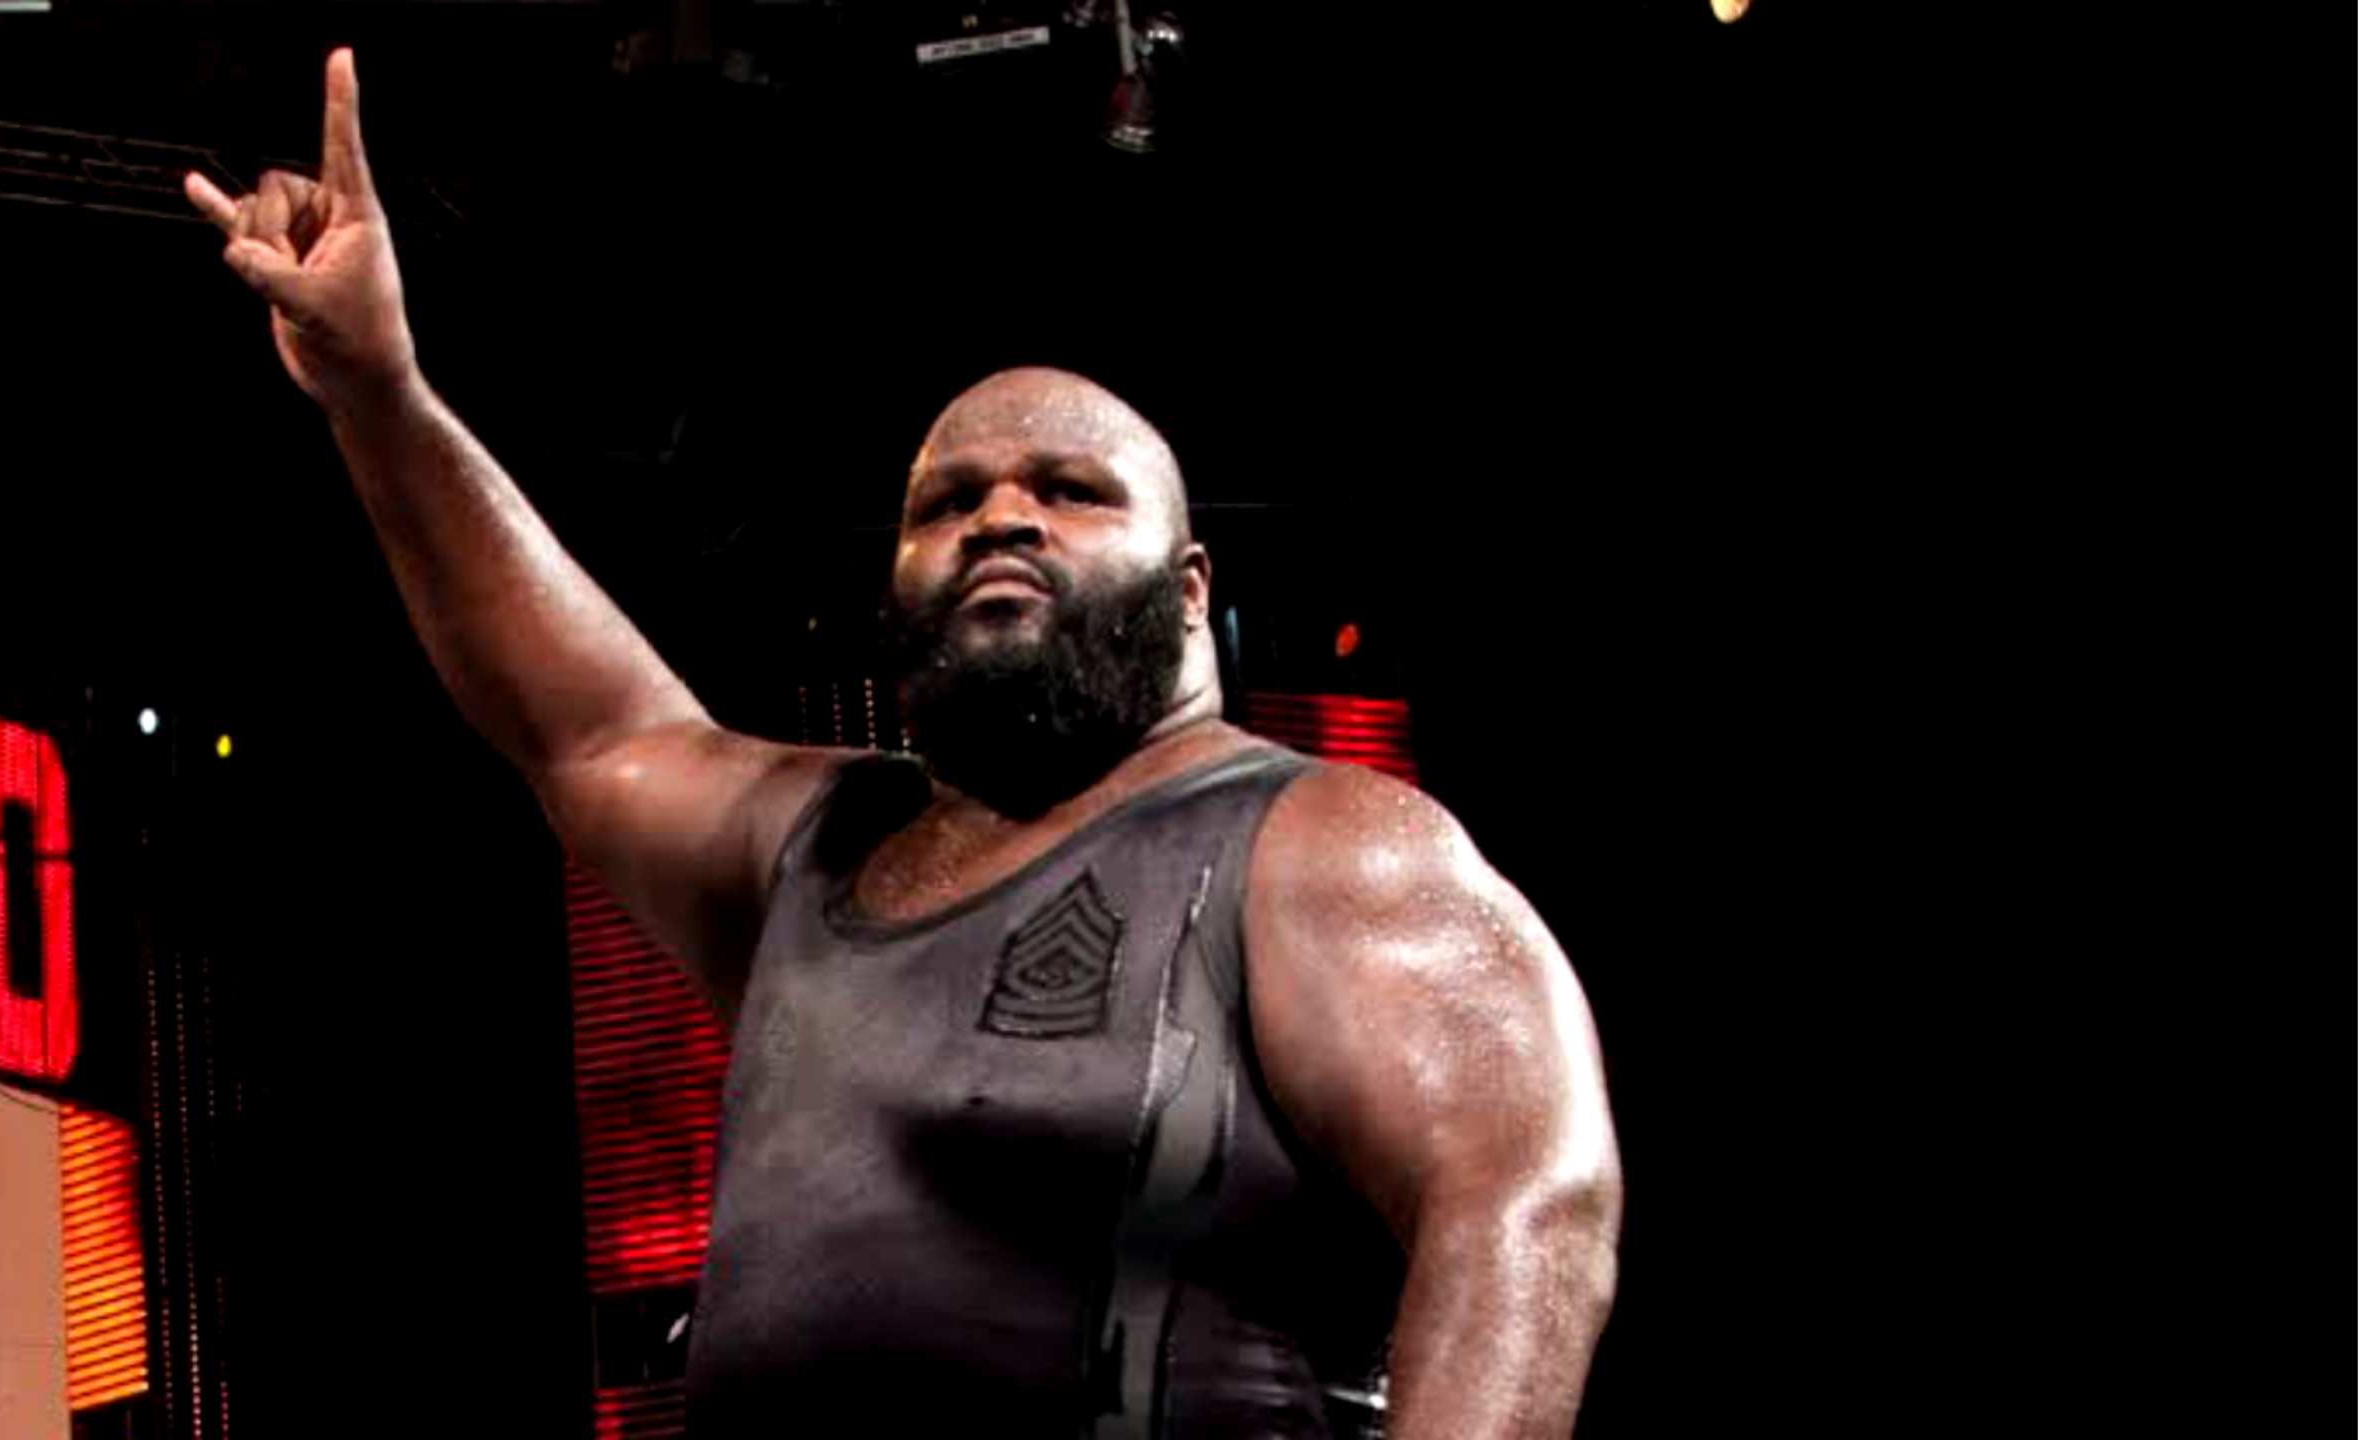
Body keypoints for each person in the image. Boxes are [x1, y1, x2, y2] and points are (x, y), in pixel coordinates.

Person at [186, 47, 1622, 1440]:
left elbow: (1525, 1206)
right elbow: (586, 724)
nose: (1001, 518)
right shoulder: (816, 853)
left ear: (1190, 590)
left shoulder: (1317, 845)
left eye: (1070, 492)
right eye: (948, 503)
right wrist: (379, 391)